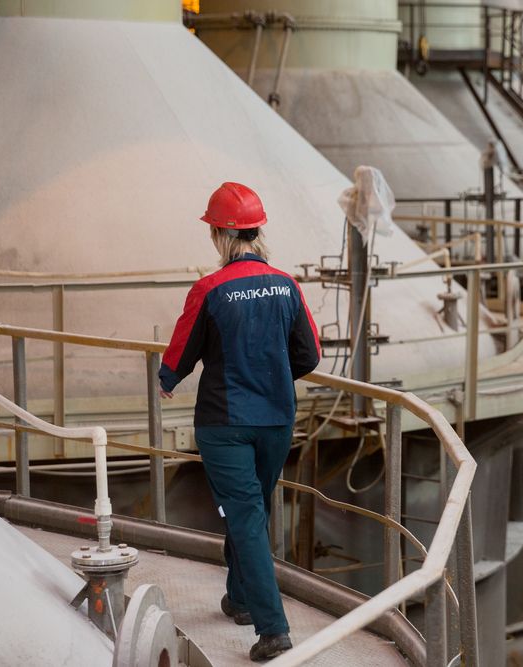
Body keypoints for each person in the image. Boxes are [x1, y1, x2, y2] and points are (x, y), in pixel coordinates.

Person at [159, 182, 320, 662]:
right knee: (250, 509)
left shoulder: (209, 290)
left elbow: (181, 353)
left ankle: (273, 630)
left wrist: (168, 379)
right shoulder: (286, 285)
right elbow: (309, 354)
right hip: (276, 419)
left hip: (224, 424)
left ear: (219, 234)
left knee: (245, 514)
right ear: (257, 231)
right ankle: (241, 598)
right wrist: (270, 378)